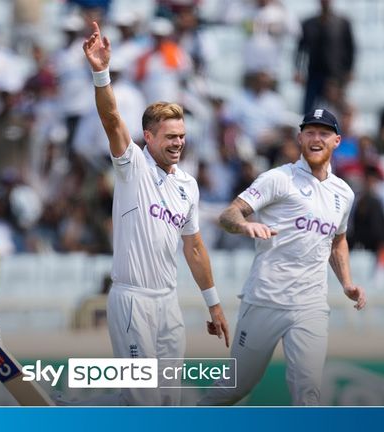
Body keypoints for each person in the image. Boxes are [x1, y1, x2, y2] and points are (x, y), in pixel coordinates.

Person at [82, 22, 229, 405]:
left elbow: (194, 248)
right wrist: (101, 71)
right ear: (148, 137)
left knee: (168, 402)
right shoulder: (132, 167)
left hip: (168, 304)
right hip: (132, 301)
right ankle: (82, 408)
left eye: (181, 136)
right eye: (170, 136)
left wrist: (213, 305)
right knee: (143, 400)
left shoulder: (188, 185)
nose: (178, 143)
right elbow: (112, 118)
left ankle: (85, 407)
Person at [199, 109, 366, 406]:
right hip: (265, 300)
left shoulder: (344, 193)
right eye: (310, 132)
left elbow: (338, 241)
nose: (316, 139)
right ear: (300, 138)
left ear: (337, 140)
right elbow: (229, 214)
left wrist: (347, 283)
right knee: (235, 388)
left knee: (308, 392)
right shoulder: (278, 179)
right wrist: (244, 224)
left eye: (324, 133)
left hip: (310, 305)